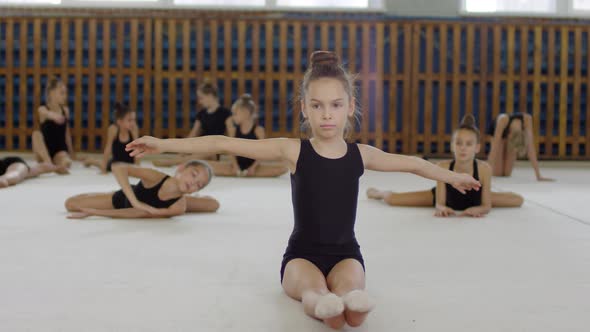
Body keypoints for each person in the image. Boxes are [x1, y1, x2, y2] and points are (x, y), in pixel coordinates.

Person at [126, 51, 480, 329]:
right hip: (301, 256)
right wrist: (164, 144)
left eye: (336, 105)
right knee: (316, 293)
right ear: (304, 109)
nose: (327, 115)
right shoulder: (293, 150)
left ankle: (352, 303)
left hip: (347, 254)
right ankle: (323, 304)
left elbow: (414, 163)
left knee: (352, 295)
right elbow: (224, 141)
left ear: (350, 107)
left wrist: (451, 178)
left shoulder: (361, 155)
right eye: (317, 105)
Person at [368, 115, 524, 217]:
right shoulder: (443, 165)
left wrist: (479, 209)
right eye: (459, 143)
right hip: (445, 197)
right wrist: (441, 207)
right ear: (452, 146)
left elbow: (486, 205)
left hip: (474, 199)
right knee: (393, 200)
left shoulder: (484, 169)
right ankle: (379, 193)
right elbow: (440, 201)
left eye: (468, 144)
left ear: (477, 147)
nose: (463, 148)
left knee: (518, 200)